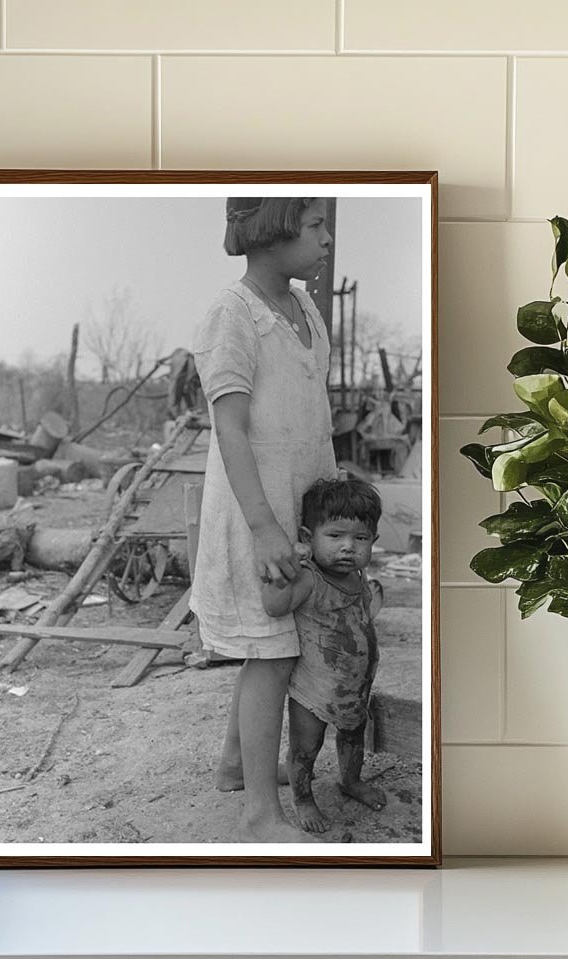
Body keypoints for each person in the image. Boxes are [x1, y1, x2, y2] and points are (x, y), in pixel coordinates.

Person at [189, 196, 335, 843]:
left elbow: (315, 420)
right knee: (270, 652)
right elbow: (232, 427)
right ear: (275, 231)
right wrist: (265, 526)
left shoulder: (304, 311)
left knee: (273, 647)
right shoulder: (233, 314)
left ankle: (232, 766)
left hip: (301, 506)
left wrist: (330, 512)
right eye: (316, 225)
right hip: (258, 512)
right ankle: (258, 814)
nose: (326, 238)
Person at [260, 478, 385, 834]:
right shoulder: (310, 579)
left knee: (353, 737)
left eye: (360, 539)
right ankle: (303, 798)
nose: (348, 548)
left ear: (373, 541)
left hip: (353, 687)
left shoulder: (358, 576)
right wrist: (278, 577)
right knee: (306, 747)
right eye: (335, 536)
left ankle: (350, 780)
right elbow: (274, 607)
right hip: (313, 692)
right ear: (307, 537)